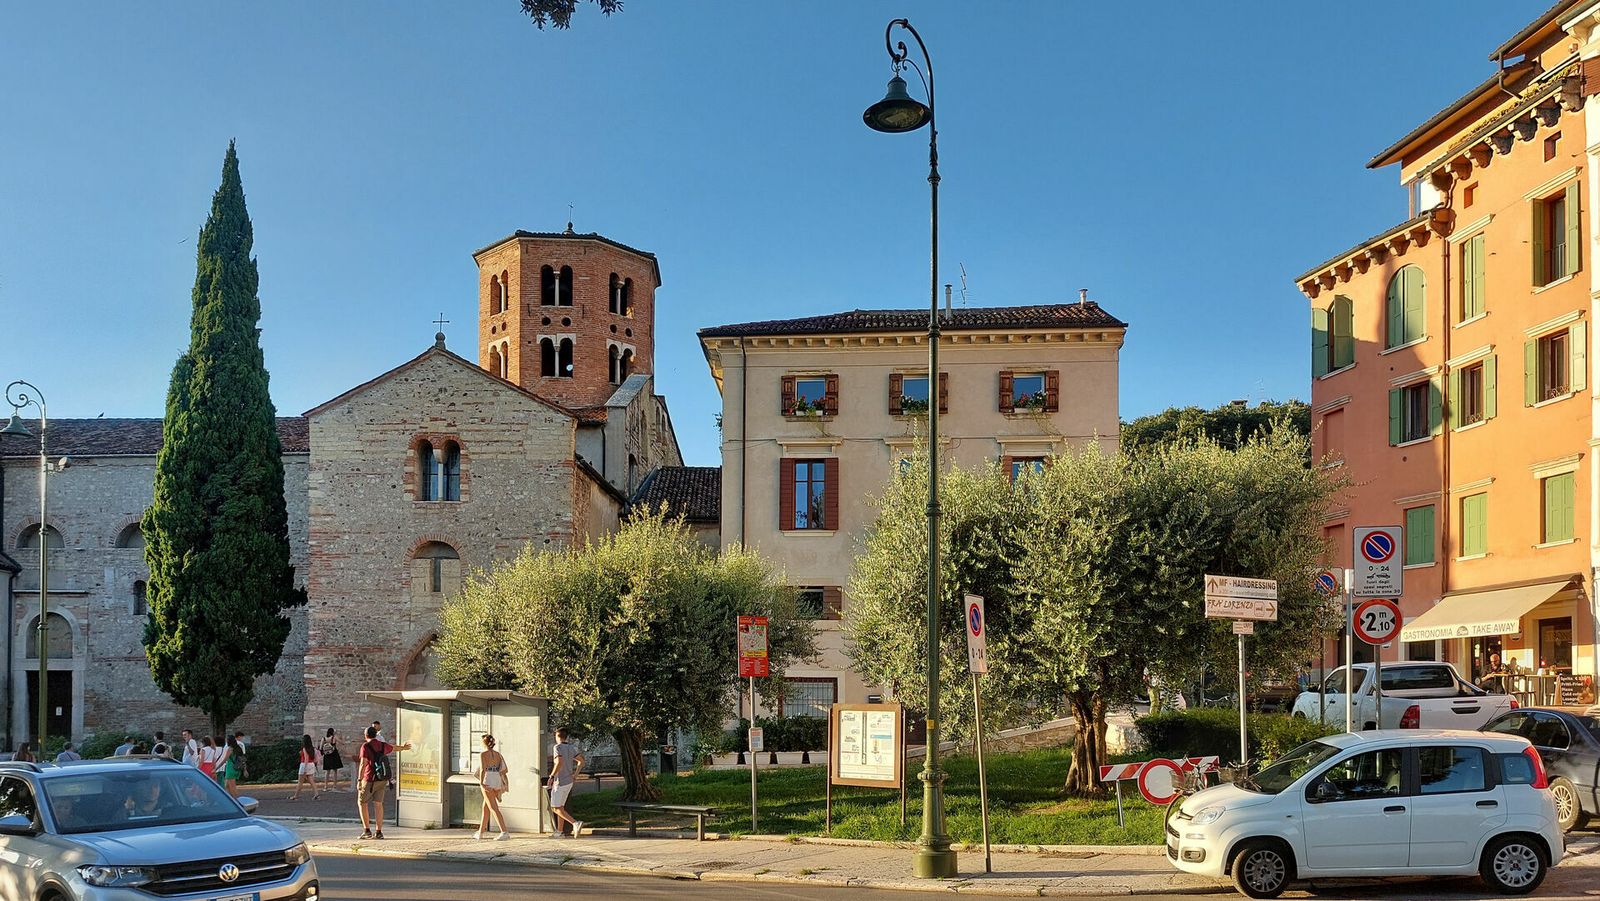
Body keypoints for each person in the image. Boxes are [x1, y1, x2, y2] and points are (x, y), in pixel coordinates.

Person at [356, 725, 411, 840]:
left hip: (369, 778)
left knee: (362, 802)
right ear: (376, 735)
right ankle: (379, 831)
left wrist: (359, 780)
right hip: (382, 779)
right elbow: (393, 748)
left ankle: (367, 830)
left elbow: (363, 764)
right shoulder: (382, 745)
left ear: (366, 736)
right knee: (378, 804)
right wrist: (404, 748)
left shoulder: (365, 746)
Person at [547, 727, 584, 838]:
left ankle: (575, 823)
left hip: (560, 781)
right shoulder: (572, 748)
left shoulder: (557, 747)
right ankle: (559, 831)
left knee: (555, 808)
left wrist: (551, 776)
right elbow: (581, 761)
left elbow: (559, 762)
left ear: (557, 736)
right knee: (561, 807)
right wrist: (575, 775)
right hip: (569, 781)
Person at [474, 734, 511, 840]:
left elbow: (483, 769)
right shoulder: (498, 754)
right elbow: (504, 769)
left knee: (493, 808)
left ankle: (504, 831)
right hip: (496, 779)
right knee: (486, 807)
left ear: (484, 743)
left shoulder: (483, 754)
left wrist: (481, 782)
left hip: (488, 779)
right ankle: (480, 832)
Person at [292, 735, 320, 801]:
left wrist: (305, 769)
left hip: (304, 765)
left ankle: (295, 796)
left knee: (300, 782)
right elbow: (315, 759)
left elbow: (306, 758)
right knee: (311, 781)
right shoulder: (313, 748)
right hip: (311, 764)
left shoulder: (304, 748)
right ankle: (316, 793)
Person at [320, 728, 345, 793]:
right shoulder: (334, 737)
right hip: (334, 755)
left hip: (327, 755)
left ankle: (325, 786)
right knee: (335, 771)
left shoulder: (324, 738)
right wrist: (341, 737)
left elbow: (320, 748)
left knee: (327, 771)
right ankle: (334, 786)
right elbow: (342, 743)